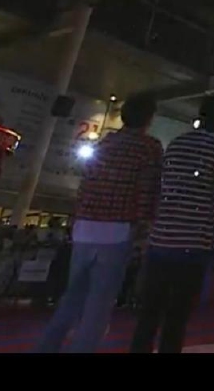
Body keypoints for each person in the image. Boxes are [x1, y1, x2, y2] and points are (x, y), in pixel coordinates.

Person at [35, 93, 162, 353]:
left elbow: (84, 185)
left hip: (85, 227)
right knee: (99, 304)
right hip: (116, 229)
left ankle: (47, 347)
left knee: (72, 296)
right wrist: (145, 226)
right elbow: (147, 190)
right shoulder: (149, 147)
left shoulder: (105, 143)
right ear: (149, 118)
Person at [130, 94, 214, 354]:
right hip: (194, 244)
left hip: (162, 239)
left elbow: (161, 188)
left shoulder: (177, 144)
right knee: (177, 317)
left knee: (149, 313)